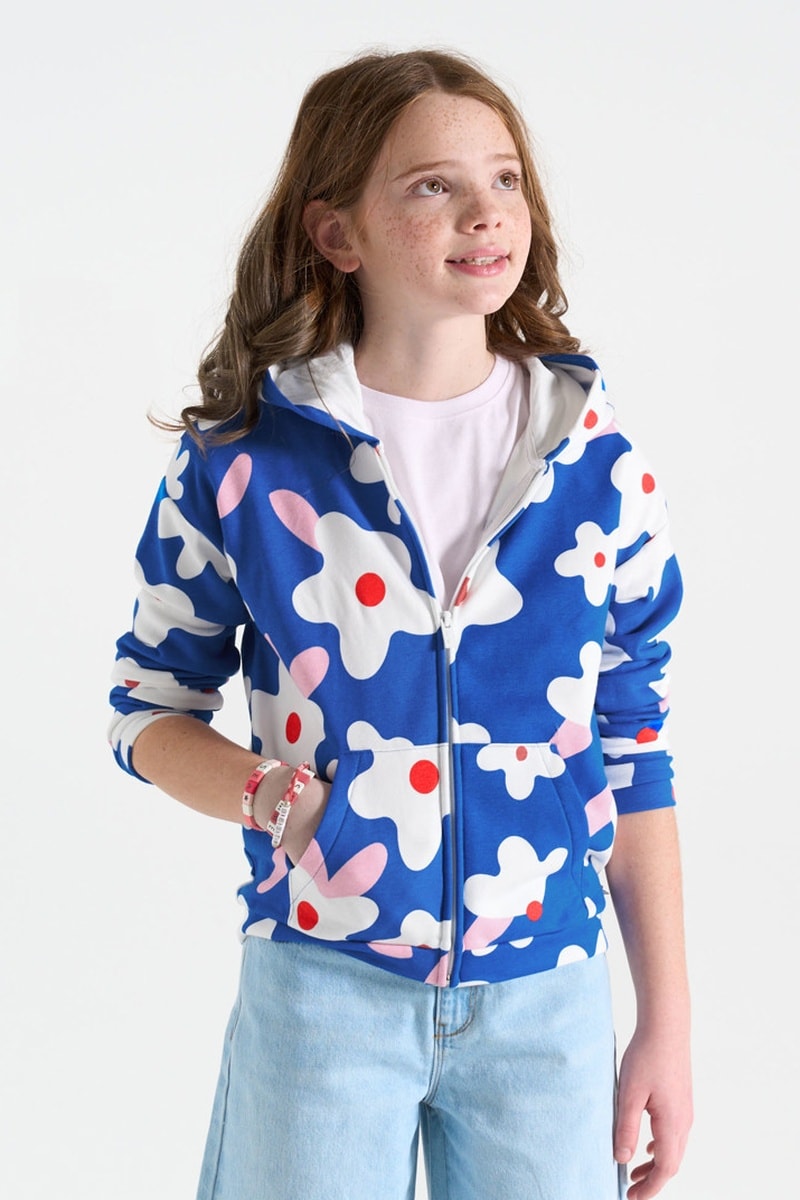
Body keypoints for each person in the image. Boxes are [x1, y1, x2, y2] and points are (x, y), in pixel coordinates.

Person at [109, 47, 692, 1200]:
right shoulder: (243, 464)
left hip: (547, 998)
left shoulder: (594, 460)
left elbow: (632, 744)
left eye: (504, 178)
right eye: (433, 185)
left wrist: (663, 1026)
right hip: (321, 990)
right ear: (338, 233)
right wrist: (275, 799)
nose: (486, 212)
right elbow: (147, 709)